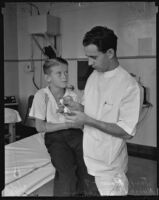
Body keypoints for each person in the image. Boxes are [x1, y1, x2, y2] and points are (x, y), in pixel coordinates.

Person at [64, 26, 142, 196]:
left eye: (93, 57)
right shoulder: (93, 76)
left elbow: (127, 132)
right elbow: (90, 110)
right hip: (89, 159)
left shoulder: (129, 86)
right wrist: (75, 107)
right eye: (87, 57)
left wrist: (87, 120)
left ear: (110, 52)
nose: (90, 63)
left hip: (110, 167)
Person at [29, 57, 88, 196]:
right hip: (55, 137)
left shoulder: (72, 95)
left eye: (66, 72)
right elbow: (40, 127)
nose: (65, 76)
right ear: (48, 78)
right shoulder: (41, 96)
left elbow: (80, 122)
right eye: (59, 73)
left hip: (76, 134)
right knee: (66, 173)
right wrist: (67, 124)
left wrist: (74, 113)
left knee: (85, 167)